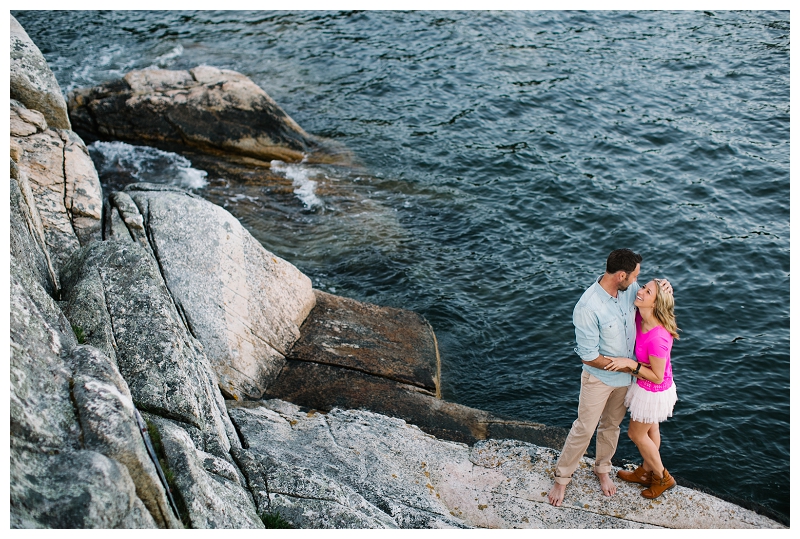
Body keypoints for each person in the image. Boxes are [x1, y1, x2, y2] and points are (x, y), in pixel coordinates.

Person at [547, 249, 671, 507]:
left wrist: (664, 285)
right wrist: (627, 367)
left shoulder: (631, 291)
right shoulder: (587, 307)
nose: (639, 281)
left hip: (626, 381)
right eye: (635, 275)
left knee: (611, 427)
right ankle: (562, 478)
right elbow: (588, 357)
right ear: (621, 275)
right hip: (598, 380)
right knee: (584, 428)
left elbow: (655, 299)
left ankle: (602, 469)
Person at [603, 279, 679, 499]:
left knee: (636, 434)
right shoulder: (640, 316)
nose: (641, 292)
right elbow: (629, 281)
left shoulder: (657, 337)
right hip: (645, 385)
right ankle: (645, 473)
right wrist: (663, 283)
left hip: (653, 391)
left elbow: (656, 376)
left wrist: (629, 364)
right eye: (644, 287)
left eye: (648, 292)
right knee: (651, 430)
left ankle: (663, 477)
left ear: (655, 304)